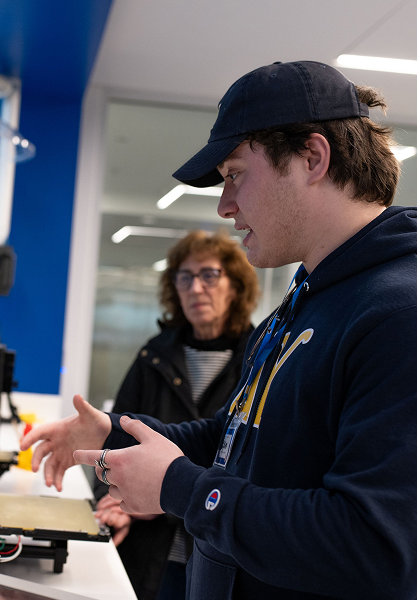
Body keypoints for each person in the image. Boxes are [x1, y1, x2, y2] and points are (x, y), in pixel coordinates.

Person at [22, 61, 417, 599]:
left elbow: (372, 546)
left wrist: (179, 488)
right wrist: (114, 435)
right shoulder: (301, 302)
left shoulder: (398, 314)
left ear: (312, 157)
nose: (225, 205)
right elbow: (233, 438)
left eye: (235, 175)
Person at [93, 230, 257, 600]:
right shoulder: (153, 357)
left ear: (235, 286)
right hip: (148, 554)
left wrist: (161, 498)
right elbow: (117, 437)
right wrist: (116, 498)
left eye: (209, 275)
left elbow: (247, 465)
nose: (196, 288)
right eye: (185, 277)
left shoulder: (258, 359)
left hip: (223, 549)